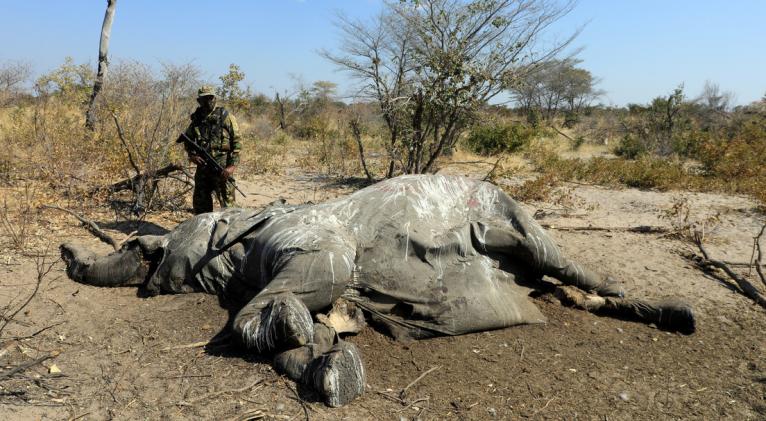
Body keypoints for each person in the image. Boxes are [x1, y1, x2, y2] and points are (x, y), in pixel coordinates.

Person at [181, 85, 241, 214]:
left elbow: (237, 143)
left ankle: (230, 233)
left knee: (229, 209)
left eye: (210, 97)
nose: (207, 101)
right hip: (203, 169)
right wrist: (192, 156)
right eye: (204, 98)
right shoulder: (197, 119)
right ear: (199, 100)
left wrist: (231, 167)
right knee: (201, 207)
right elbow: (187, 140)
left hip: (222, 168)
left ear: (214, 98)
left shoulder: (226, 117)